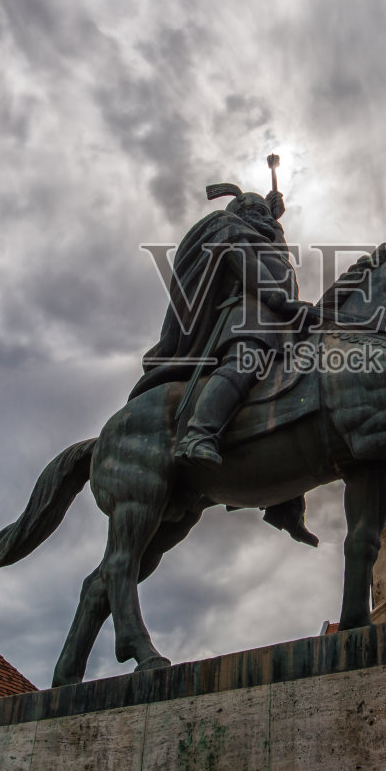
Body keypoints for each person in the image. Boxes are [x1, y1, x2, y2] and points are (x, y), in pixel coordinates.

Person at [132, 182, 319, 545]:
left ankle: (285, 502)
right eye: (254, 213)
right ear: (239, 215)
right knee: (242, 368)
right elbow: (251, 272)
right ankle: (199, 433)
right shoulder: (229, 232)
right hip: (244, 318)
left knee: (298, 396)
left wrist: (274, 216)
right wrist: (282, 303)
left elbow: (272, 251)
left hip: (280, 325)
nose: (262, 220)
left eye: (264, 215)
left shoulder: (268, 241)